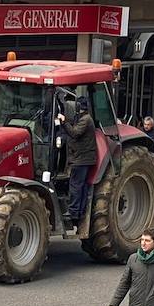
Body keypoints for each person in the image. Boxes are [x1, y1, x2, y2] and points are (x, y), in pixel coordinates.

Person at [57, 96, 98, 228]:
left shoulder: (86, 120)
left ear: (80, 107)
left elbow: (74, 133)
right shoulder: (84, 119)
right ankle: (78, 211)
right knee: (81, 185)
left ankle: (74, 212)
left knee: (76, 185)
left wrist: (63, 122)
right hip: (82, 158)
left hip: (82, 159)